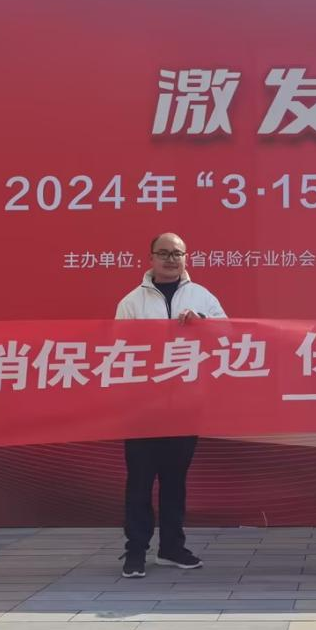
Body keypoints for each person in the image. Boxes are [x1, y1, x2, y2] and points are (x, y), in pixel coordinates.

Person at [114, 232, 226, 579]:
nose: (170, 259)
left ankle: (172, 547)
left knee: (175, 481)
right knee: (140, 482)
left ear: (186, 257)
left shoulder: (202, 297)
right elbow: (118, 349)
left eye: (177, 253)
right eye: (163, 253)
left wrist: (202, 323)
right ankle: (136, 550)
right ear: (150, 258)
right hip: (142, 407)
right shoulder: (132, 302)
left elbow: (228, 335)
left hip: (185, 405)